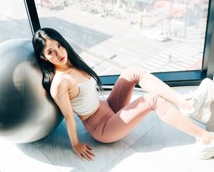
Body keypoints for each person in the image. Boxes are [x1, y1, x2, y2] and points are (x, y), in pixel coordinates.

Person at [32, 27, 214, 161]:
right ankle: (206, 139)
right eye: (50, 52)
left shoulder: (72, 63)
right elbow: (69, 118)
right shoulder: (59, 83)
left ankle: (187, 105)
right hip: (103, 128)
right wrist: (75, 144)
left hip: (108, 107)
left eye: (58, 46)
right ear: (43, 57)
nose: (58, 53)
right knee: (151, 100)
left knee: (133, 71)